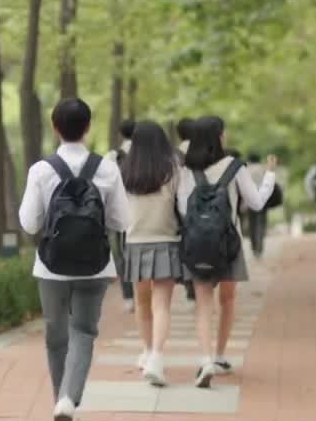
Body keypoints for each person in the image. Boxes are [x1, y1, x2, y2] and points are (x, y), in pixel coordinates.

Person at [19, 98, 131, 421]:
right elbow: (122, 221)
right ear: (88, 127)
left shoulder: (41, 170)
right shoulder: (107, 169)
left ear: (55, 127)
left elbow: (29, 223)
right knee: (83, 331)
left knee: (55, 337)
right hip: (95, 265)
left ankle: (60, 405)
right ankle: (68, 402)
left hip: (51, 266)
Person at [177, 116, 277, 388]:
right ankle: (220, 355)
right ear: (219, 137)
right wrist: (269, 175)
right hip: (228, 245)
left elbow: (183, 209)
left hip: (197, 244)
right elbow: (256, 203)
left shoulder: (187, 170)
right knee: (228, 300)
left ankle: (206, 359)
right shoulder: (234, 167)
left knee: (203, 304)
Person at [119, 121, 182, 387]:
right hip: (166, 239)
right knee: (161, 304)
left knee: (142, 302)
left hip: (135, 241)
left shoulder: (126, 170)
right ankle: (156, 355)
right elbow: (184, 204)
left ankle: (147, 351)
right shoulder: (173, 169)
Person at [107, 119, 137, 313]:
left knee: (123, 255)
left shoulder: (113, 156)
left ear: (120, 134)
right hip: (143, 211)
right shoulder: (147, 155)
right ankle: (147, 295)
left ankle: (128, 297)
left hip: (121, 211)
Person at [174, 118, 197, 303]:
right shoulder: (204, 151)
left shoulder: (175, 154)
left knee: (184, 244)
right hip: (201, 202)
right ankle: (198, 279)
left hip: (180, 204)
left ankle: (188, 282)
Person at [245, 152, 271, 260]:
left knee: (252, 223)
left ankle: (254, 247)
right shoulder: (264, 169)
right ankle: (260, 246)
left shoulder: (246, 170)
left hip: (250, 199)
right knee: (261, 223)